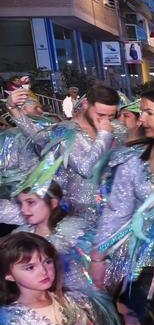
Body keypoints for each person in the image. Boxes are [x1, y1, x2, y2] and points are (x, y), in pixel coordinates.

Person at [90, 85, 154, 292]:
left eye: (149, 112)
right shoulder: (133, 162)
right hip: (142, 263)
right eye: (141, 113)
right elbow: (116, 213)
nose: (141, 120)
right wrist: (97, 258)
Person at [7, 84, 121, 227]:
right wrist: (104, 135)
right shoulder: (66, 131)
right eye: (100, 115)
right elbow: (85, 169)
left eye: (111, 116)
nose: (106, 120)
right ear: (86, 104)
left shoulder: (116, 129)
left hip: (111, 212)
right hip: (77, 216)